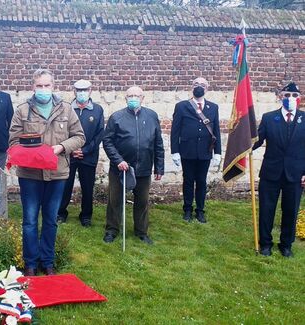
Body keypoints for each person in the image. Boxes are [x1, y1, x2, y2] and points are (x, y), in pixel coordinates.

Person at [9, 69, 85, 276]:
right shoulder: (23, 111)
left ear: (53, 86)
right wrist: (30, 152)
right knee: (30, 220)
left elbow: (79, 137)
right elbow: (14, 141)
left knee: (51, 219)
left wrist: (61, 146)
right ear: (33, 87)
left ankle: (47, 261)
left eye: (47, 85)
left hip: (57, 173)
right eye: (39, 86)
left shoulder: (66, 110)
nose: (43, 90)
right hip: (30, 175)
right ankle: (31, 264)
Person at [102, 86, 164, 245]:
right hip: (121, 168)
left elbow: (158, 143)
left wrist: (159, 167)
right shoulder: (117, 117)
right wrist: (118, 160)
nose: (133, 98)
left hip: (143, 167)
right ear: (125, 98)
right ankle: (112, 230)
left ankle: (141, 232)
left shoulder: (151, 116)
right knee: (115, 200)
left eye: (137, 95)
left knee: (142, 201)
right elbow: (107, 142)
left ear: (143, 98)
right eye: (130, 95)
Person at [252, 82, 305, 258]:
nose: (290, 98)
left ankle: (286, 245)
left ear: (300, 99)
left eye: (294, 96)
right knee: (267, 209)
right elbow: (257, 141)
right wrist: (243, 143)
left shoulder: (304, 118)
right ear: (280, 97)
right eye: (287, 95)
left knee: (291, 210)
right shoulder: (269, 118)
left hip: (296, 174)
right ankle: (265, 243)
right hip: (271, 172)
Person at [170, 77, 221, 223]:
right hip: (187, 150)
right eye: (196, 84)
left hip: (205, 151)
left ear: (207, 88)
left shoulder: (213, 107)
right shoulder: (182, 106)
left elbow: (215, 130)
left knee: (201, 181)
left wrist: (217, 152)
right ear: (192, 87)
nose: (199, 87)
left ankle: (200, 210)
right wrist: (175, 151)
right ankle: (187, 209)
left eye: (202, 85)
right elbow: (175, 130)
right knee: (188, 181)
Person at [57, 79, 104, 227]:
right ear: (74, 91)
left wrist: (85, 150)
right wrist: (70, 148)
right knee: (65, 186)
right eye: (79, 90)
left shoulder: (97, 110)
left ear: (90, 91)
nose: (82, 93)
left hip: (88, 156)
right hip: (68, 155)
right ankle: (61, 213)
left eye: (85, 90)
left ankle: (86, 216)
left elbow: (99, 134)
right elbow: (60, 131)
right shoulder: (66, 108)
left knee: (88, 187)